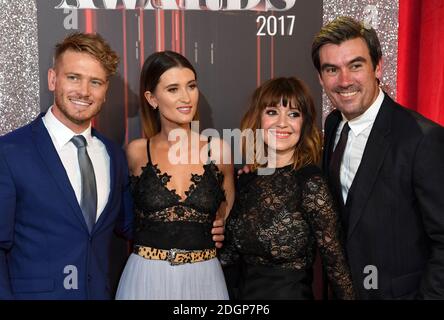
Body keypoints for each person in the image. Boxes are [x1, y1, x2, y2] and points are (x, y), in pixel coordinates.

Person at [0, 33, 225, 300]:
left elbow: (135, 223)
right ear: (52, 79)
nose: (84, 91)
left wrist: (201, 227)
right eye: (73, 77)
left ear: (105, 90)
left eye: (95, 82)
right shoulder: (10, 152)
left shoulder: (113, 155)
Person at [312, 16, 444, 299]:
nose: (344, 80)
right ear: (321, 79)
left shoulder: (422, 139)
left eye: (355, 65)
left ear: (378, 67)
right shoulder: (334, 125)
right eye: (332, 69)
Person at [219, 77, 355, 300]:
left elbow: (336, 264)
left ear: (304, 124)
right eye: (272, 112)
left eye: (293, 114)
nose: (282, 123)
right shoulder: (245, 180)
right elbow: (229, 257)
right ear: (258, 119)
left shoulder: (310, 182)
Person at [115, 51, 235, 300]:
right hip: (146, 277)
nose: (186, 97)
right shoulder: (136, 152)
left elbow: (226, 209)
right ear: (152, 98)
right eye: (172, 89)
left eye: (191, 86)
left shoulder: (219, 150)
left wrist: (221, 223)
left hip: (204, 279)